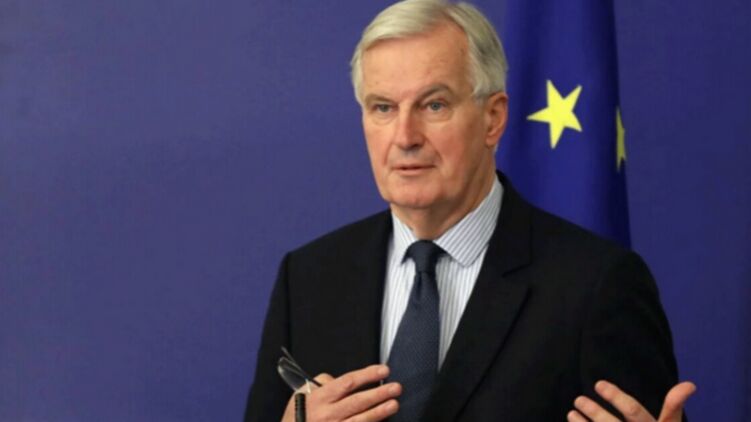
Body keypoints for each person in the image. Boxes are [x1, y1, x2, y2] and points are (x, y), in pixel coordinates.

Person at [245, 1, 695, 421]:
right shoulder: (308, 278)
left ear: (493, 118)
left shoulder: (596, 285)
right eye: (383, 108)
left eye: (434, 105)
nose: (405, 136)